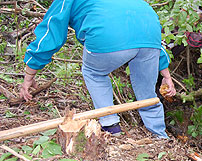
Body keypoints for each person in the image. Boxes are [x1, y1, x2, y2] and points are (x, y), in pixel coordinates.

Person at [20, 0, 176, 138]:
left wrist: (29, 75)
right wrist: (167, 76)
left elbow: (51, 34)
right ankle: (159, 134)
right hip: (150, 29)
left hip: (109, 31)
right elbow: (144, 32)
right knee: (146, 89)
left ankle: (110, 125)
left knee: (93, 72)